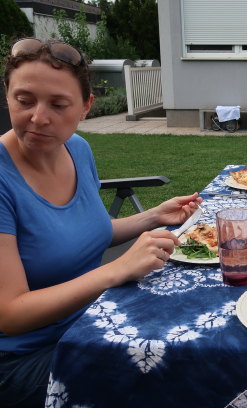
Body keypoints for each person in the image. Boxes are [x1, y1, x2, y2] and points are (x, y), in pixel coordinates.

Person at [0, 38, 202, 407]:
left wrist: (152, 216)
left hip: (93, 320)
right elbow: (11, 314)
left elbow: (90, 234)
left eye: (58, 105)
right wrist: (117, 270)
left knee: (194, 335)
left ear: (85, 107)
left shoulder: (77, 149)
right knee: (170, 371)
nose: (39, 117)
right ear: (7, 95)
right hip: (24, 359)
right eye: (24, 100)